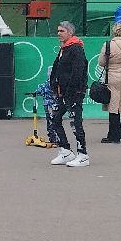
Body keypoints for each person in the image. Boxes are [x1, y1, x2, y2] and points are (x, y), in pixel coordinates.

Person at [46, 21, 89, 168]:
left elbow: (78, 71)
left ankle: (83, 154)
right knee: (55, 118)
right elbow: (57, 69)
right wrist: (54, 84)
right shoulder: (64, 48)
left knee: (75, 123)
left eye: (62, 31)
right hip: (62, 93)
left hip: (74, 94)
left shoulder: (76, 48)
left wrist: (70, 92)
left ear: (70, 33)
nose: (58, 33)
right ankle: (65, 150)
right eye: (58, 31)